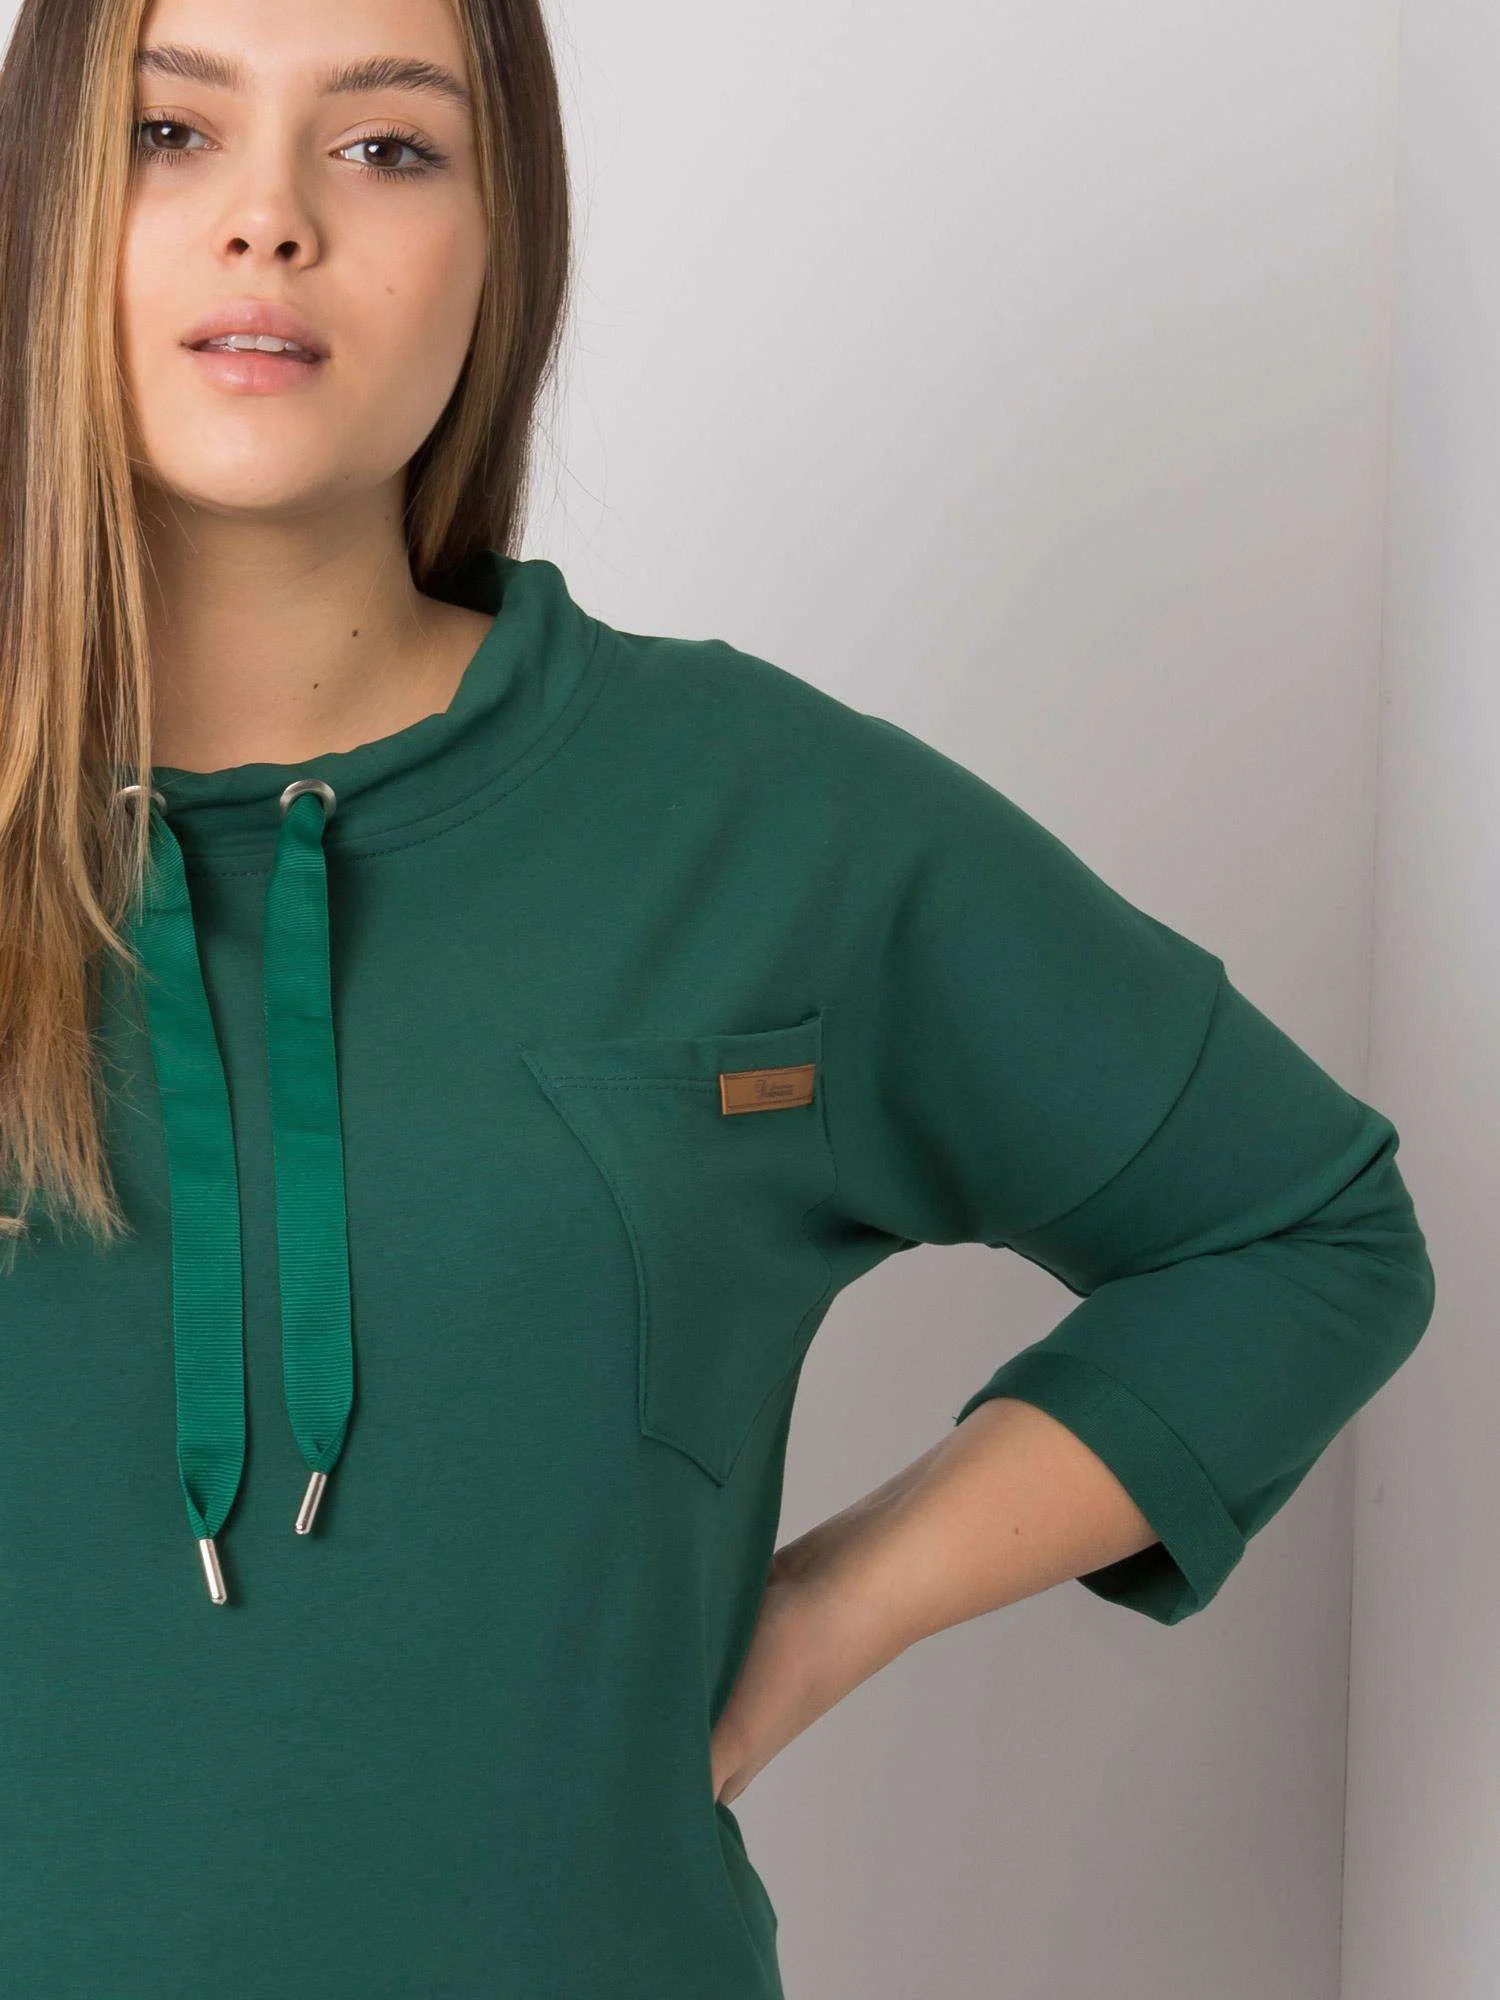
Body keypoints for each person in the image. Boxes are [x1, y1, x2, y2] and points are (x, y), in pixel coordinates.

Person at [0, 0, 1437, 1994]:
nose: (269, 220)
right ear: (43, 195)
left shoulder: (754, 818)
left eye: (387, 146)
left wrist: (829, 1613)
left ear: (508, 240)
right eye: (171, 132)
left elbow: (1301, 1230)